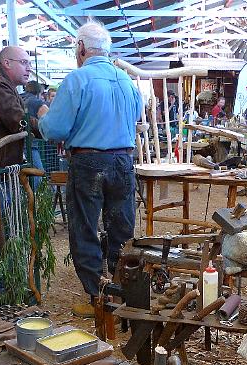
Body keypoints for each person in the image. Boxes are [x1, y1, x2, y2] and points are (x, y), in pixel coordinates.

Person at [38, 21, 142, 318]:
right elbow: (136, 117)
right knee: (121, 228)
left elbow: (55, 128)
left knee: (85, 228)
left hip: (89, 162)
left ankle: (97, 297)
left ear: (81, 47)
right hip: (123, 160)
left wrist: (42, 118)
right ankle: (123, 292)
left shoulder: (78, 79)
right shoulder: (126, 81)